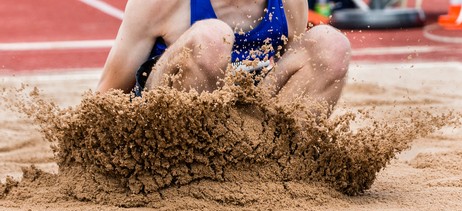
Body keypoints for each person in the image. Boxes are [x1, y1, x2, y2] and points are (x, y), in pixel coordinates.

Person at [96, 0, 351, 112]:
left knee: (331, 44)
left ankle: (283, 166)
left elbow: (293, 78)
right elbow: (105, 97)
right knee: (212, 37)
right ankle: (182, 169)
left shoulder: (290, 1)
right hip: (165, 126)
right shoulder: (160, 2)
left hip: (246, 120)